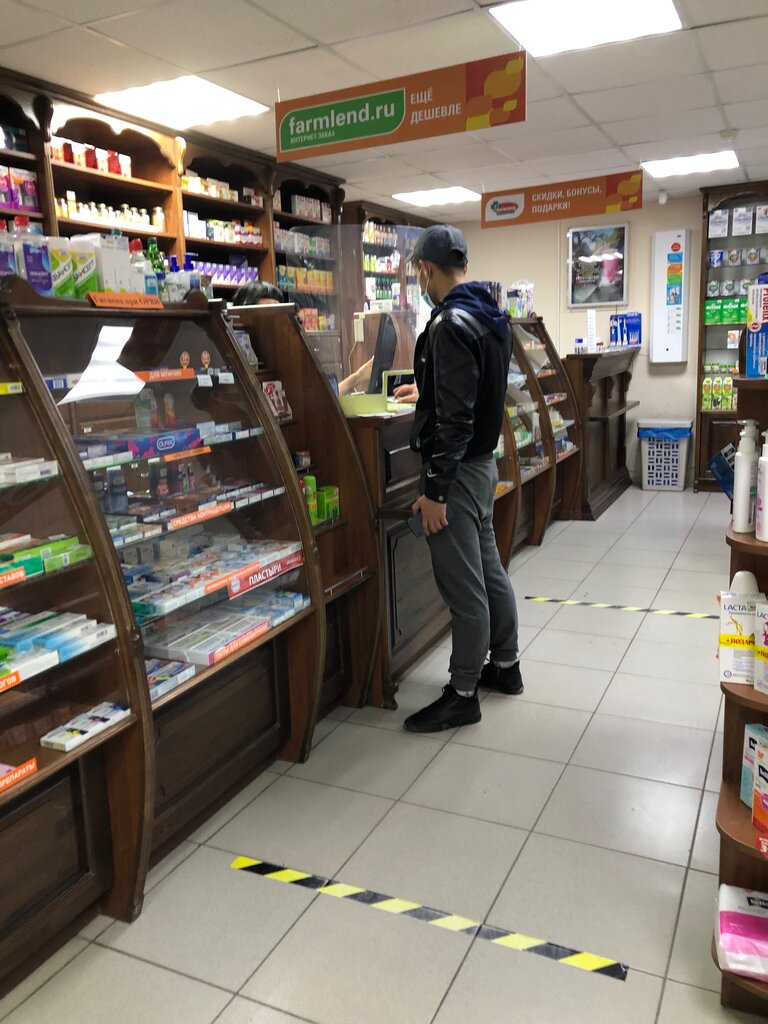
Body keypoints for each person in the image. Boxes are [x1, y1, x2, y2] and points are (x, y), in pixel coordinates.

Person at [397, 225, 522, 733]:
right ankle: (506, 665)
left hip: (457, 474)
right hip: (482, 465)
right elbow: (473, 390)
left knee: (464, 586)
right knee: (490, 571)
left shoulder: (449, 323)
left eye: (418, 273)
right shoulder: (490, 315)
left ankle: (463, 692)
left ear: (426, 269)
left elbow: (455, 421)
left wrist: (434, 491)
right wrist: (426, 389)